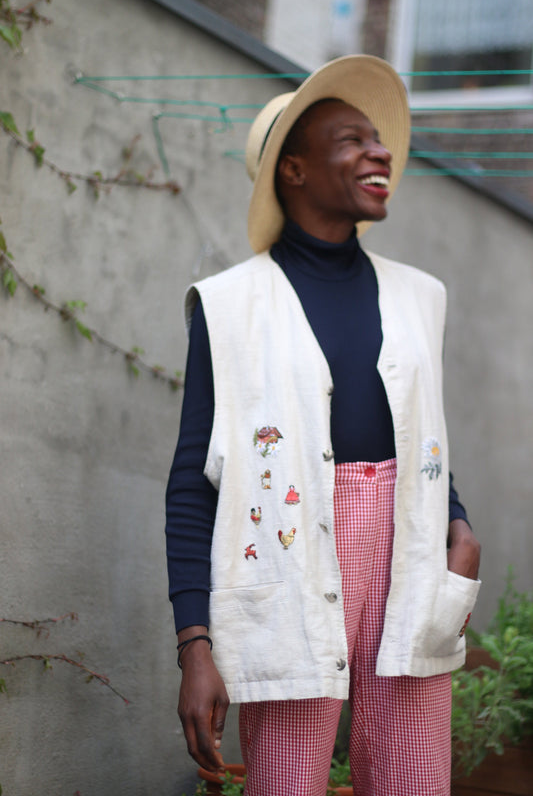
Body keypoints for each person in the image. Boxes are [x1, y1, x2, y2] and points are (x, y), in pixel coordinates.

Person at [166, 55, 481, 796]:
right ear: (294, 171)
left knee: (410, 779)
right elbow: (193, 480)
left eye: (379, 139)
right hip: (286, 564)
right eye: (351, 140)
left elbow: (421, 438)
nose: (379, 152)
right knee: (286, 782)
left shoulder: (420, 297)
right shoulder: (228, 306)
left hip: (408, 560)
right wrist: (195, 645)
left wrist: (458, 533)